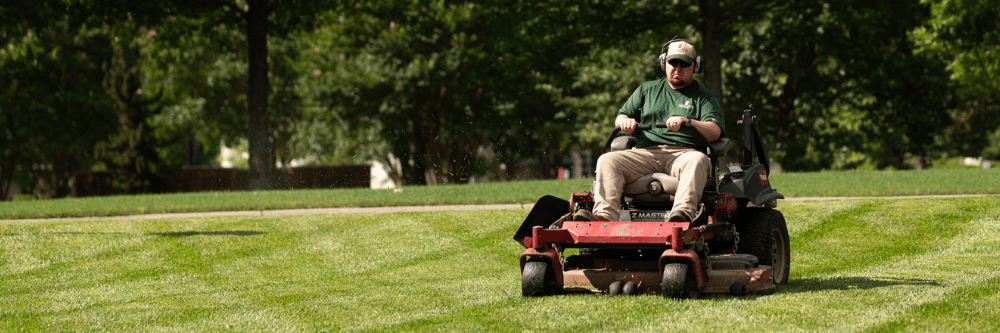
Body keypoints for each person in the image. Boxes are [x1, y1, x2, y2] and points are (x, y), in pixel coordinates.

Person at [575, 38, 725, 223]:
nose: (677, 68)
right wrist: (625, 122)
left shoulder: (704, 96)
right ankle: (604, 217)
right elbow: (621, 117)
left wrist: (688, 121)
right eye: (673, 62)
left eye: (684, 64)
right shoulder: (647, 90)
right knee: (607, 160)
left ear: (695, 66)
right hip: (645, 153)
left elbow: (715, 131)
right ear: (664, 63)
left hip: (684, 154)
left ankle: (682, 215)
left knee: (698, 159)